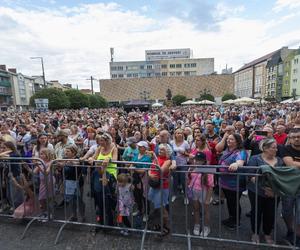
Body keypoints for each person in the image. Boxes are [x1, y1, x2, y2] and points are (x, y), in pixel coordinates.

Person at [247, 138, 283, 244]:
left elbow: (281, 177)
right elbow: (250, 175)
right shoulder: (255, 159)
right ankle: (255, 233)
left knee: (270, 213)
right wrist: (265, 188)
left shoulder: (280, 161)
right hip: (257, 191)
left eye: (276, 147)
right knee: (256, 212)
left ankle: (267, 234)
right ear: (265, 148)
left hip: (274, 193)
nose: (276, 149)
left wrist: (274, 190)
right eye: (273, 147)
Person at [219, 134, 247, 230]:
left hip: (235, 183)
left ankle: (236, 222)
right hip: (225, 181)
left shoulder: (241, 152)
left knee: (234, 203)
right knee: (230, 202)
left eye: (231, 139)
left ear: (237, 141)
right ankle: (231, 218)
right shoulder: (227, 150)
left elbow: (240, 162)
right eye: (228, 139)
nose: (228, 140)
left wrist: (236, 164)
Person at [148, 143, 172, 236]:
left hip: (162, 187)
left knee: (162, 208)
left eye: (163, 150)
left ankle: (166, 227)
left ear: (168, 152)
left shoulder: (168, 160)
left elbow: (161, 170)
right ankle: (158, 224)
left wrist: (155, 157)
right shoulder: (156, 158)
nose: (160, 151)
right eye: (160, 149)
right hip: (154, 185)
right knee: (156, 207)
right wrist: (150, 174)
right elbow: (150, 168)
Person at [281, 128, 300, 246]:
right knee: (287, 211)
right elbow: (291, 164)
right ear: (290, 138)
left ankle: (297, 236)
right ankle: (290, 230)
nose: (297, 139)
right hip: (289, 186)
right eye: (294, 137)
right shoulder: (285, 149)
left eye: (299, 136)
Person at [188, 152, 214, 237]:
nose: (197, 161)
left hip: (204, 192)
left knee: (206, 211)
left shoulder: (208, 169)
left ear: (204, 161)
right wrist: (189, 171)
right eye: (196, 159)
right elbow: (188, 180)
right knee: (196, 209)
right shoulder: (192, 168)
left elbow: (211, 186)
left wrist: (207, 199)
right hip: (195, 191)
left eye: (200, 160)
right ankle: (197, 225)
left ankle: (206, 227)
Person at [170, 129, 190, 204]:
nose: (179, 134)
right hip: (174, 165)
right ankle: (175, 194)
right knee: (175, 180)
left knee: (183, 180)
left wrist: (184, 153)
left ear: (183, 135)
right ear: (175, 134)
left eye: (181, 133)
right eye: (177, 133)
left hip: (183, 164)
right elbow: (169, 153)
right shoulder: (171, 142)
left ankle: (186, 196)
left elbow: (189, 153)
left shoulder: (186, 143)